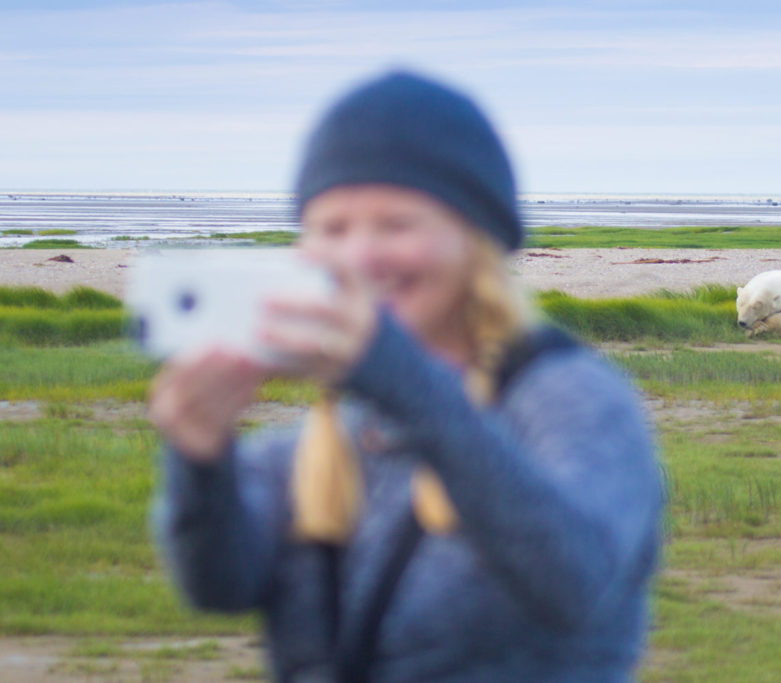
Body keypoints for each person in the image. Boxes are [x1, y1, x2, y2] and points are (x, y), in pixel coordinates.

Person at [151, 70, 662, 682]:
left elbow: (578, 582)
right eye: (333, 228)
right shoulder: (317, 442)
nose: (361, 257)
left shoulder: (572, 399)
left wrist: (398, 378)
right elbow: (220, 585)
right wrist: (201, 457)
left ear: (475, 238)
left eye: (396, 224)